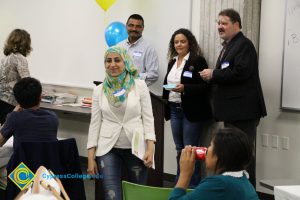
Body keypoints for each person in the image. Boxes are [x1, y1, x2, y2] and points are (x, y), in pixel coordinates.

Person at [199, 8, 267, 187]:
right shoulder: (230, 46)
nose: (220, 27)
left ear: (236, 24)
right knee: (233, 157)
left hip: (243, 113)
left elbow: (240, 72)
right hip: (232, 113)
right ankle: (235, 191)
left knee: (243, 157)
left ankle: (248, 193)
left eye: (224, 23)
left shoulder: (244, 45)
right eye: (218, 23)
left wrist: (214, 74)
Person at [87, 46, 156, 200]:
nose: (113, 64)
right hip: (108, 149)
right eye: (108, 61)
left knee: (138, 195)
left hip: (136, 148)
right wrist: (90, 157)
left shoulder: (139, 85)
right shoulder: (99, 90)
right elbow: (95, 124)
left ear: (125, 62)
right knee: (112, 196)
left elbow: (148, 118)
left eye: (117, 60)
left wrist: (151, 148)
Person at [162, 28, 212, 188]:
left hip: (191, 111)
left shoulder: (197, 61)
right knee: (179, 149)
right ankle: (179, 184)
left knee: (190, 150)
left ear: (189, 42)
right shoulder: (172, 61)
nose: (179, 44)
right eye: (176, 42)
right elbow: (167, 84)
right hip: (174, 109)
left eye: (182, 41)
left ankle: (192, 187)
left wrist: (186, 88)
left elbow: (205, 87)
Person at [169, 128, 259, 200]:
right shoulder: (243, 180)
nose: (206, 149)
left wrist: (185, 174)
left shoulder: (218, 184)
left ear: (221, 154)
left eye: (211, 145)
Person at [0, 77, 58, 150]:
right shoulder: (53, 117)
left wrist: (13, 113)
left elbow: (0, 142)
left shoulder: (15, 117)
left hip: (23, 161)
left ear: (17, 100)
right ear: (40, 97)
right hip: (48, 161)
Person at [0, 29, 32, 125]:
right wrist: (41, 92)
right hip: (11, 103)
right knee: (13, 132)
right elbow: (27, 81)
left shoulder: (5, 59)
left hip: (1, 100)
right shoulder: (20, 58)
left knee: (4, 132)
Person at [118, 14, 159, 86]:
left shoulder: (149, 48)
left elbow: (153, 75)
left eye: (138, 26)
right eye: (131, 25)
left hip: (138, 92)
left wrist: (132, 79)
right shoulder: (119, 46)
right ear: (126, 26)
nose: (134, 29)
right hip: (118, 89)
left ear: (143, 28)